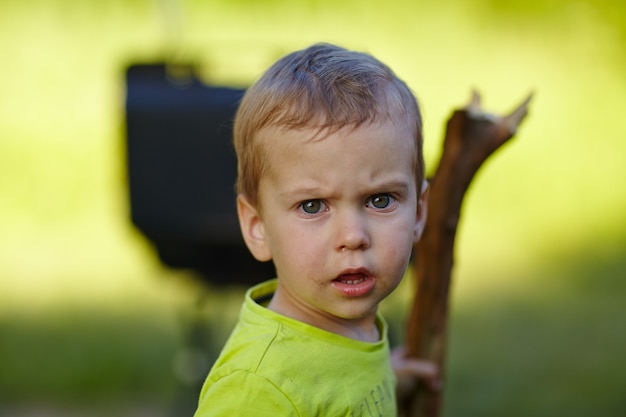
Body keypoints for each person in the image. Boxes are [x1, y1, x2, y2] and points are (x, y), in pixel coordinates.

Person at [194, 42, 438, 416]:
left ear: (419, 212)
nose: (353, 236)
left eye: (380, 200)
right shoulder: (257, 387)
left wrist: (384, 378)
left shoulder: (351, 333)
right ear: (257, 227)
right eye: (312, 206)